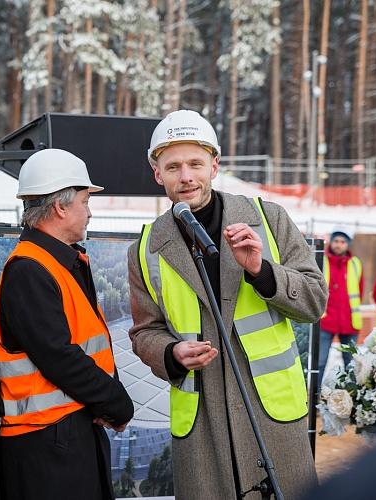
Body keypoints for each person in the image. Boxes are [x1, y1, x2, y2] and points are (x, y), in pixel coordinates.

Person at [127, 110, 327, 500]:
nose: (185, 176)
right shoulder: (146, 248)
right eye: (173, 167)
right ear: (157, 174)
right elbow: (144, 331)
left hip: (272, 417)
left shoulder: (269, 220)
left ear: (214, 166)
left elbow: (314, 301)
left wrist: (261, 270)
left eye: (195, 164)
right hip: (203, 427)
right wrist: (170, 352)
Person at [0, 148, 134, 500]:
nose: (89, 212)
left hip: (66, 434)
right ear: (60, 207)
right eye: (85, 202)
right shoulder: (29, 269)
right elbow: (59, 356)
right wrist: (115, 401)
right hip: (45, 445)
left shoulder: (58, 262)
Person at [318, 228, 363, 388]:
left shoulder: (356, 263)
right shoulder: (321, 260)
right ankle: (314, 396)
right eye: (336, 241)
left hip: (349, 321)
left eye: (342, 242)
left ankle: (351, 397)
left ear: (347, 245)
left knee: (350, 362)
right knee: (320, 361)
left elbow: (360, 290)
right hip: (325, 319)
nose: (338, 245)